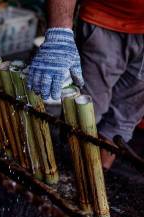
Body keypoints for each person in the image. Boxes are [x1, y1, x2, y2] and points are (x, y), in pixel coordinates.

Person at [28, 0, 144, 170]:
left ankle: (96, 177)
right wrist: (59, 31)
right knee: (83, 118)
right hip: (104, 20)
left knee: (122, 121)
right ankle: (66, 173)